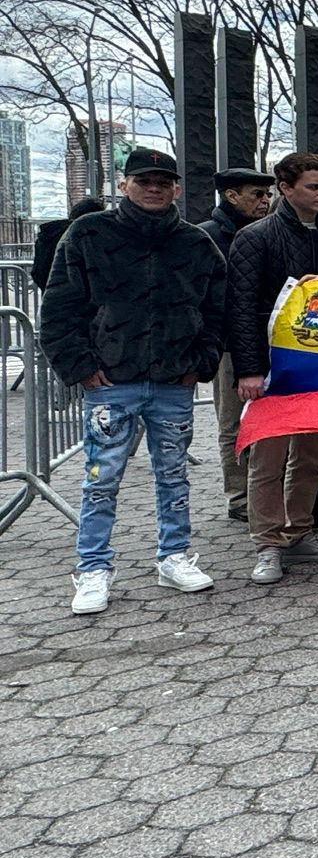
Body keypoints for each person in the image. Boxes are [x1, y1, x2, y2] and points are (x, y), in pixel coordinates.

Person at [41, 148, 224, 615]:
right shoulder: (88, 234)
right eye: (144, 180)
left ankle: (174, 555)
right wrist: (80, 366)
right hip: (110, 379)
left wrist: (200, 361)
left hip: (173, 380)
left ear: (177, 188)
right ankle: (93, 567)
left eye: (164, 181)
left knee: (174, 475)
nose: (155, 187)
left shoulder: (197, 244)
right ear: (125, 185)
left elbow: (216, 309)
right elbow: (60, 307)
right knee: (101, 478)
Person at [227, 151, 318, 585]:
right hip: (271, 367)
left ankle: (299, 532)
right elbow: (242, 308)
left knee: (311, 454)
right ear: (286, 189)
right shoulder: (255, 237)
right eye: (314, 187)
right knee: (268, 457)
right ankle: (268, 543)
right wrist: (248, 369)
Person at [194, 169, 274, 521]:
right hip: (229, 344)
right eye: (256, 194)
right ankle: (240, 496)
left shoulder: (269, 233)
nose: (265, 201)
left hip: (270, 339)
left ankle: (267, 491)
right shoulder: (207, 237)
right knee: (234, 422)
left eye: (268, 195)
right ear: (231, 196)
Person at [32, 196, 106, 293]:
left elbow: (37, 272)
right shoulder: (84, 238)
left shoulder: (48, 235)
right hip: (76, 300)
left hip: (51, 297)